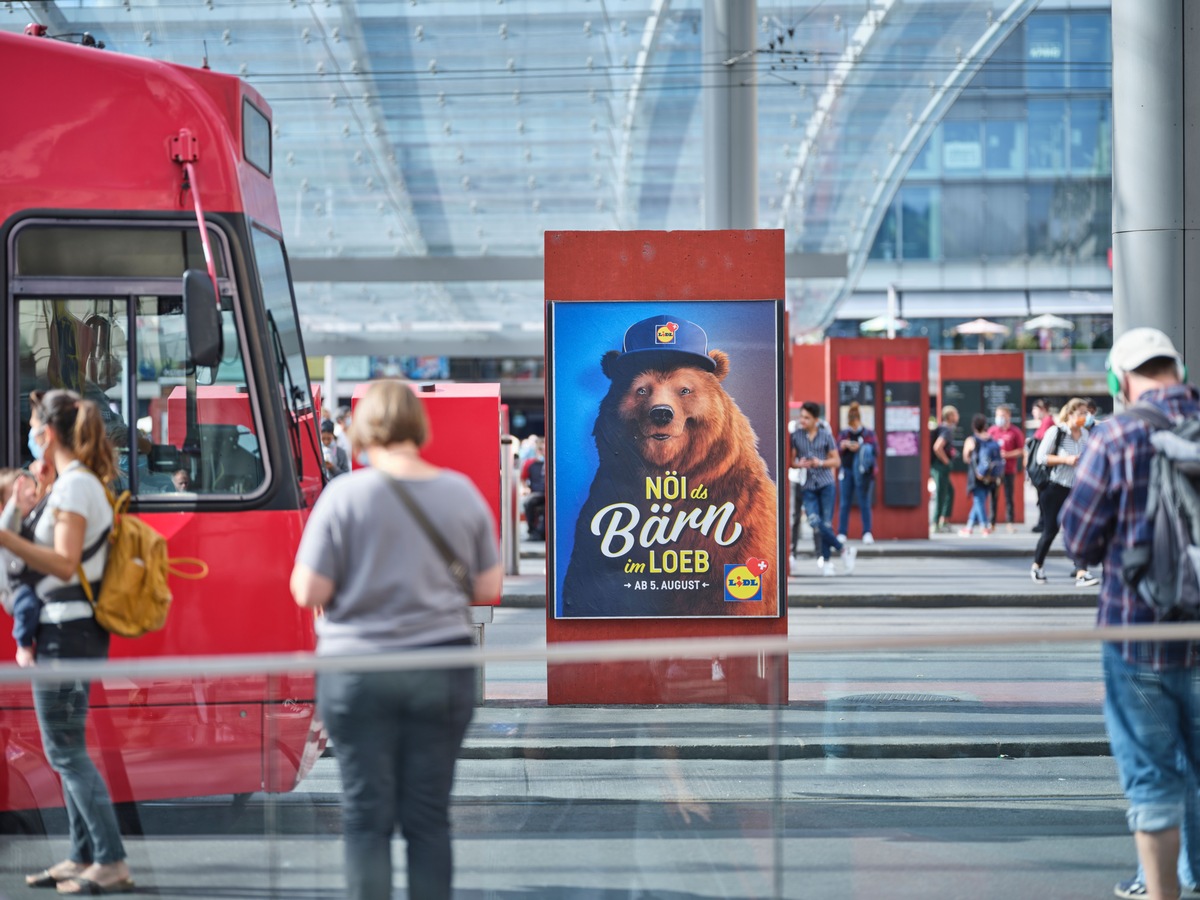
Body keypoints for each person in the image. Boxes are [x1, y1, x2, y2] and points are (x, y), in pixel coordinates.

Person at [291, 380, 502, 900]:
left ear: (363, 428)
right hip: (441, 667)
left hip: (358, 671)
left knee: (366, 816)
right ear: (418, 426)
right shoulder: (460, 493)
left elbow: (306, 589)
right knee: (429, 818)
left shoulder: (345, 496)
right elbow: (489, 587)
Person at [1060, 328, 1200, 900]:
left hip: (1136, 634)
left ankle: (1160, 887)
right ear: (1180, 370)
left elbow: (1078, 540)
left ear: (1120, 382)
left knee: (1151, 774)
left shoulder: (1115, 438)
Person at [0, 389, 134, 895]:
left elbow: (61, 563)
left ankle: (110, 859)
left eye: (34, 424)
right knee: (66, 750)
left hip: (67, 632)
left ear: (48, 432)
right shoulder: (67, 486)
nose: (30, 432)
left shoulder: (77, 489)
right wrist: (17, 504)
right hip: (62, 629)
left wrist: (5, 539)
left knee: (66, 753)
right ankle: (82, 855)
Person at [1030, 397, 1098, 587]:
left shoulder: (1085, 434)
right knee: (1051, 529)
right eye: (1081, 413)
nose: (1085, 417)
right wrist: (1066, 460)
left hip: (1076, 489)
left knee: (1078, 530)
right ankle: (1037, 565)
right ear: (1070, 414)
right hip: (1054, 488)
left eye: (1087, 413)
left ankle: (1081, 571)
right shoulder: (1057, 431)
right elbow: (1041, 457)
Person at [789, 401, 856, 576]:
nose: (802, 420)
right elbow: (790, 462)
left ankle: (826, 563)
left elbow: (836, 461)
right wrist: (799, 464)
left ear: (816, 420)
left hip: (826, 484)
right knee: (813, 521)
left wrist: (820, 462)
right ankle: (843, 549)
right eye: (801, 417)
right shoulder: (795, 436)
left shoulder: (826, 436)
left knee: (826, 523)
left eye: (806, 418)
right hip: (808, 485)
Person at [0, 468, 43, 668]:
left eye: (33, 494)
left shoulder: (32, 520)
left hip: (26, 583)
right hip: (14, 590)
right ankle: (23, 645)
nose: (30, 499)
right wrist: (14, 505)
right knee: (27, 603)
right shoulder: (9, 524)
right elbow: (8, 525)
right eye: (18, 496)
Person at [836, 402, 876, 544]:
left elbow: (875, 451)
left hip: (863, 473)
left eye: (855, 423)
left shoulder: (867, 433)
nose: (853, 426)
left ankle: (867, 532)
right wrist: (844, 445)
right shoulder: (844, 434)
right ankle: (842, 532)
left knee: (864, 502)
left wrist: (861, 446)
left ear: (859, 420)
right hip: (847, 471)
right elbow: (837, 451)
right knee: (844, 503)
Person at [987, 404, 1025, 533]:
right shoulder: (992, 431)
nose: (1000, 418)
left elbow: (1021, 450)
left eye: (1002, 415)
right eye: (998, 415)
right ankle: (991, 523)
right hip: (994, 471)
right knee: (993, 496)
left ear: (1009, 416)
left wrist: (1007, 454)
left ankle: (1010, 522)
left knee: (1009, 497)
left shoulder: (1015, 431)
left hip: (1009, 469)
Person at [959, 414, 994, 536]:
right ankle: (969, 527)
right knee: (980, 499)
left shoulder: (971, 439)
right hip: (989, 474)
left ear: (974, 426)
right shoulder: (990, 438)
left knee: (978, 500)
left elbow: (966, 457)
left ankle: (984, 526)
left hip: (976, 475)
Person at [931, 405, 958, 533]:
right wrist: (946, 461)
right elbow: (937, 447)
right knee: (941, 494)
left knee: (949, 492)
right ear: (950, 416)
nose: (957, 416)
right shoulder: (946, 430)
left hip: (940, 466)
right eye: (955, 414)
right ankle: (935, 523)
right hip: (940, 466)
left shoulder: (945, 429)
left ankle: (944, 521)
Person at [520, 436, 546, 541]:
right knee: (528, 503)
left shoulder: (552, 462)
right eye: (540, 449)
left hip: (549, 493)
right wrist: (526, 488)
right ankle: (532, 531)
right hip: (537, 492)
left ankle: (544, 532)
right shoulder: (529, 463)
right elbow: (523, 479)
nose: (542, 451)